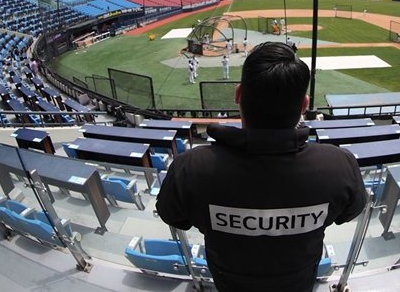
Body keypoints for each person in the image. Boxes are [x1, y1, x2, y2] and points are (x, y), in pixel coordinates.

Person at [157, 42, 367, 292]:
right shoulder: (340, 165)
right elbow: (349, 212)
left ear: (237, 94)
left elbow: (173, 216)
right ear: (304, 104)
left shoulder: (189, 167)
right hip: (299, 283)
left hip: (230, 283)